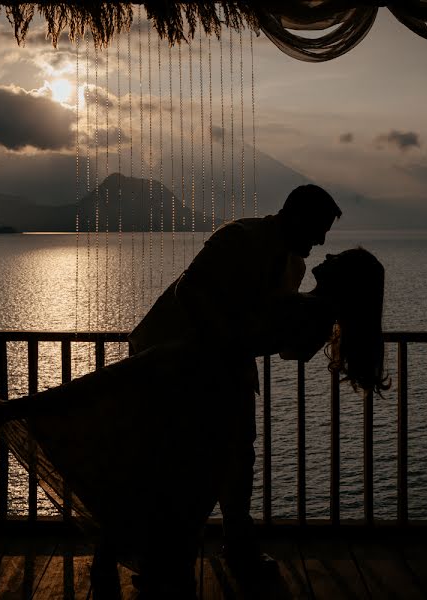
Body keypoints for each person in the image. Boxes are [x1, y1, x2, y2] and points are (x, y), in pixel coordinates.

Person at [0, 247, 390, 599]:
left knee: (100, 405)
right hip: (197, 373)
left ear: (346, 279)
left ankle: (4, 411)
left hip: (191, 369)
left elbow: (239, 326)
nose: (326, 257)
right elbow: (271, 339)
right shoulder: (313, 313)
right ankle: (4, 410)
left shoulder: (311, 312)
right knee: (106, 412)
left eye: (338, 259)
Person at [127, 183, 342, 577]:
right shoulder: (238, 237)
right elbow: (188, 290)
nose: (321, 239)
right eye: (319, 227)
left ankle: (232, 546)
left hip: (227, 367)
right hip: (172, 362)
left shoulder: (294, 266)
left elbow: (268, 330)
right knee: (179, 462)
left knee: (238, 458)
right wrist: (225, 339)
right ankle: (161, 559)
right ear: (297, 216)